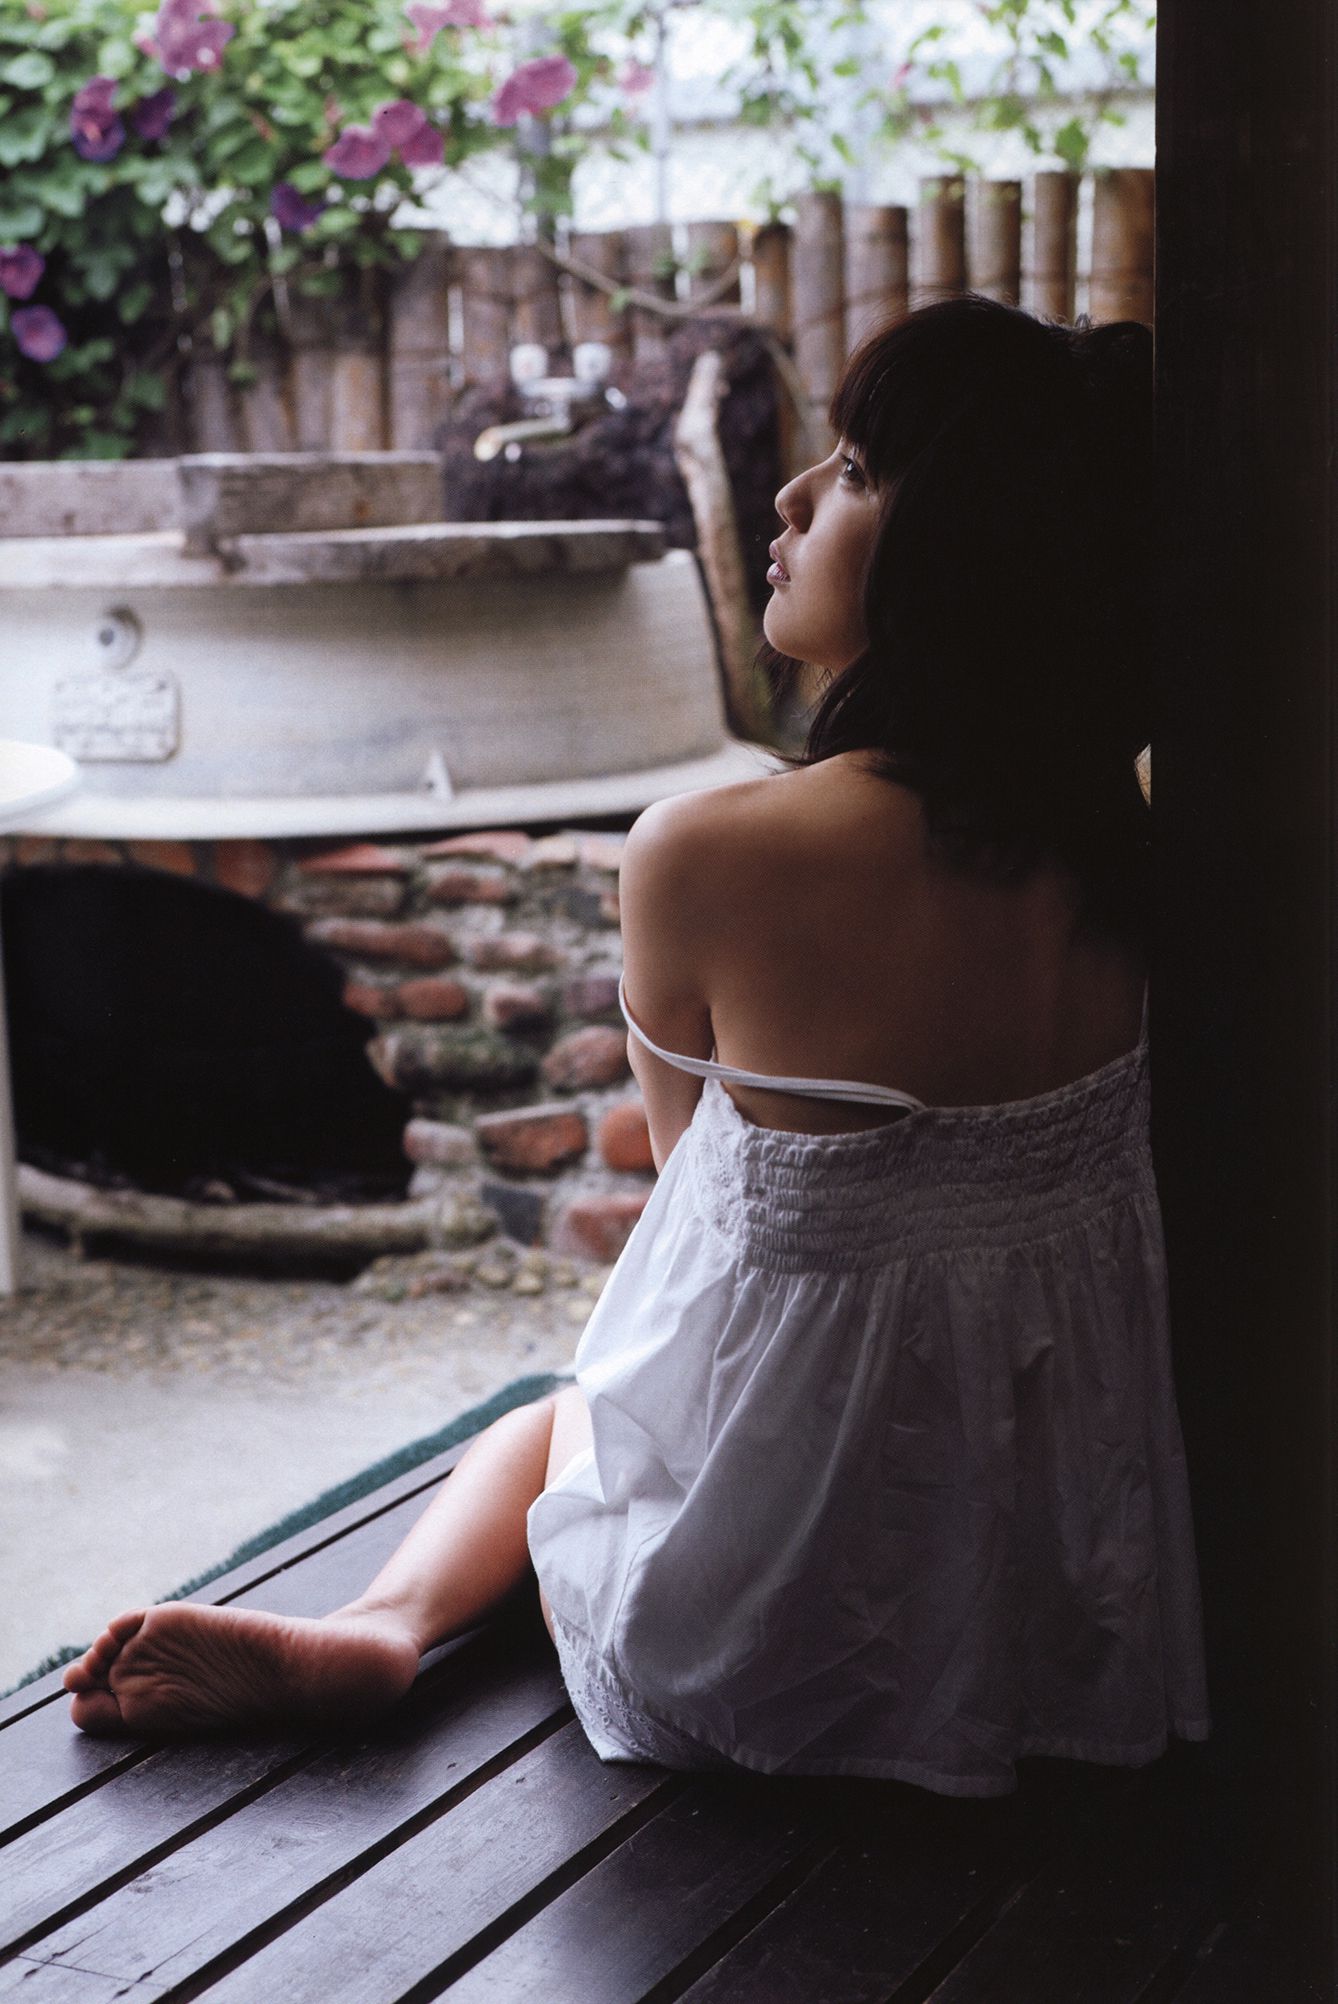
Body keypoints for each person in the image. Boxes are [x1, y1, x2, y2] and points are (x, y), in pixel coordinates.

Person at [65, 293, 1211, 1796]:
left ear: (970, 553)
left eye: (856, 471)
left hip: (753, 1635)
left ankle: (383, 1623)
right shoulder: (1133, 856)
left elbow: (691, 1216)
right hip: (1060, 1599)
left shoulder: (706, 852)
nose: (789, 497)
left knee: (558, 1421)